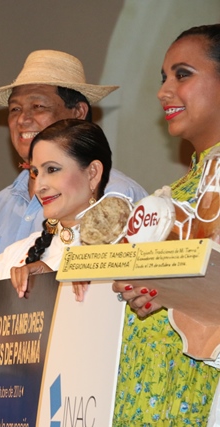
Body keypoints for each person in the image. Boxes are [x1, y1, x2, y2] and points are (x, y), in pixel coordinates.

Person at [113, 24, 220, 426]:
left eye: (182, 74)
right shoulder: (170, 195)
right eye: (164, 78)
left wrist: (179, 290)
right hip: (143, 391)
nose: (163, 91)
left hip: (196, 391)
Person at [0, 50, 147, 271]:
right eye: (15, 109)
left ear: (78, 112)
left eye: (38, 106)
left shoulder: (118, 194)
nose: (22, 119)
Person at [0, 119, 111, 302]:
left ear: (93, 173)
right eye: (35, 173)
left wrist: (55, 285)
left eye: (52, 169)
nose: (38, 187)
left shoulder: (124, 250)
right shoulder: (17, 254)